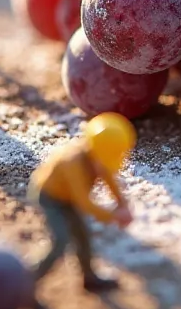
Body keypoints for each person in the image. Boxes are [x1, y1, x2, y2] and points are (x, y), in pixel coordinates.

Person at [29, 112, 135, 295]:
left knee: (83, 235)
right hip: (50, 197)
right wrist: (114, 216)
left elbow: (108, 176)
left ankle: (90, 278)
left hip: (68, 197)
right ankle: (27, 282)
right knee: (60, 241)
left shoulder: (96, 155)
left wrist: (122, 203)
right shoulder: (73, 162)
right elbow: (83, 202)